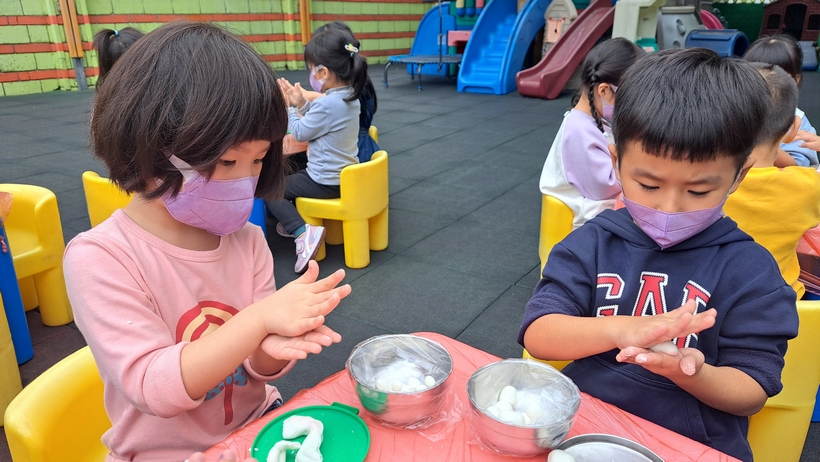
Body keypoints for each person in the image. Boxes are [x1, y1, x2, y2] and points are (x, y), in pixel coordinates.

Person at [64, 22, 350, 462]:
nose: (244, 180)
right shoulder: (101, 258)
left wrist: (272, 348)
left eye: (258, 160)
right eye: (227, 161)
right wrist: (258, 321)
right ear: (147, 148)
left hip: (254, 432)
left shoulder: (247, 240)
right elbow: (152, 386)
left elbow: (258, 363)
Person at [519, 48, 798, 461]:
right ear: (617, 163)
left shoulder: (751, 271)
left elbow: (752, 391)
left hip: (692, 443)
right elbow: (539, 334)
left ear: (739, 176)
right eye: (648, 185)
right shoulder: (592, 244)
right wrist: (622, 329)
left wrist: (693, 372)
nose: (669, 207)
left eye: (699, 191)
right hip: (587, 425)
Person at [267, 26, 367, 273]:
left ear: (324, 72)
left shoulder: (327, 104)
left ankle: (302, 232)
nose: (311, 74)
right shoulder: (350, 98)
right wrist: (303, 103)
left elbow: (300, 132)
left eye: (312, 69)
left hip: (324, 180)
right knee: (290, 178)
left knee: (271, 189)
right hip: (345, 178)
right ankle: (292, 222)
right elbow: (324, 119)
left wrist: (290, 107)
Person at [724, 63, 820, 299]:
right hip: (783, 300)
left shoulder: (701, 184)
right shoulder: (809, 185)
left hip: (714, 298)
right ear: (793, 128)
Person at [539, 38, 644, 229]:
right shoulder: (578, 130)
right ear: (604, 91)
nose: (634, 106)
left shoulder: (592, 121)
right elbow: (604, 186)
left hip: (596, 210)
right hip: (585, 222)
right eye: (630, 98)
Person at [743, 34, 818, 167]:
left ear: (795, 80)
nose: (767, 82)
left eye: (778, 76)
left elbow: (799, 165)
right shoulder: (736, 110)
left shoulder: (797, 121)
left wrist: (767, 145)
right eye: (755, 76)